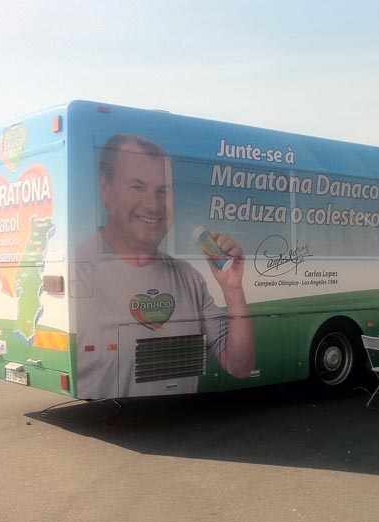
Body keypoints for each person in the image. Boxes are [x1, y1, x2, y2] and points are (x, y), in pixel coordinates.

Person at [74, 134, 255, 399]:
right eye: (137, 186)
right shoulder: (76, 272)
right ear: (105, 188)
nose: (153, 205)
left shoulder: (189, 279)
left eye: (163, 191)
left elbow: (240, 366)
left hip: (177, 431)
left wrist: (233, 291)